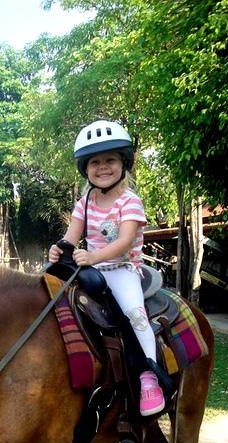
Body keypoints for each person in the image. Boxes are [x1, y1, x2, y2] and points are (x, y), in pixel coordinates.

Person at [48, 119, 165, 416]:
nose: (103, 167)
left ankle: (149, 375)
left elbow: (125, 242)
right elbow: (71, 238)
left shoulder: (130, 201)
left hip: (123, 270)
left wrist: (92, 257)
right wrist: (59, 249)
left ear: (123, 163)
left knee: (134, 314)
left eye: (110, 160)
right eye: (95, 162)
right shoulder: (84, 202)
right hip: (91, 270)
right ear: (85, 168)